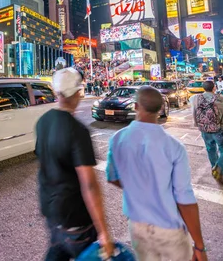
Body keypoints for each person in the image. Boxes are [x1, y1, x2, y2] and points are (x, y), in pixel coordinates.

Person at [107, 86, 207, 261]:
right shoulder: (174, 147)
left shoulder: (118, 139)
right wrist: (199, 245)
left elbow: (113, 177)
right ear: (161, 108)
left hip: (137, 226)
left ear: (136, 106)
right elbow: (185, 199)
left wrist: (136, 187)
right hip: (169, 229)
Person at [35, 68, 114, 260]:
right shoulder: (77, 131)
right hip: (75, 218)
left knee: (57, 251)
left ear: (57, 92)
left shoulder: (43, 121)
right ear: (77, 93)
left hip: (52, 212)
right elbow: (89, 185)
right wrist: (103, 231)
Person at [190, 80, 223, 185]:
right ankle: (219, 169)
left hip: (204, 128)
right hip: (219, 128)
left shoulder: (194, 98)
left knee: (210, 149)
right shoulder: (221, 98)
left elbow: (194, 111)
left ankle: (214, 167)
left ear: (203, 88)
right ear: (214, 87)